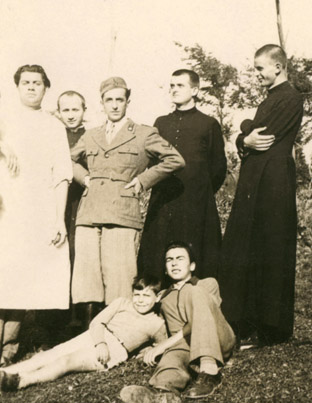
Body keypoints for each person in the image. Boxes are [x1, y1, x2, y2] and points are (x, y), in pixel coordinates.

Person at [70, 76, 185, 324]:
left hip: (121, 213)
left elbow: (175, 159)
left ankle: (117, 330)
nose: (114, 105)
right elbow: (67, 159)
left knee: (119, 278)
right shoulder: (91, 135)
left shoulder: (144, 133)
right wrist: (84, 178)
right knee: (87, 278)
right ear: (101, 103)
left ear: (127, 102)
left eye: (119, 100)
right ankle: (90, 333)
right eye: (109, 100)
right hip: (89, 212)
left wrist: (143, 180)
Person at [219, 44, 303, 347]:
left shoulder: (290, 98)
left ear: (278, 67)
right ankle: (245, 320)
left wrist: (243, 130)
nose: (256, 74)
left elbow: (262, 135)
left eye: (260, 68)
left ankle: (270, 327)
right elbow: (252, 137)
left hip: (273, 183)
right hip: (257, 181)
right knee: (248, 246)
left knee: (271, 248)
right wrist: (245, 137)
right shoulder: (272, 98)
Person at [0, 64, 72, 365]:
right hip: (6, 209)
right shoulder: (5, 117)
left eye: (37, 83)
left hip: (37, 211)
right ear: (17, 87)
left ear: (46, 88)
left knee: (22, 278)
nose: (31, 87)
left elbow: (62, 174)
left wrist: (58, 219)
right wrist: (3, 146)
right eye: (26, 82)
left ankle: (8, 348)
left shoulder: (53, 126)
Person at [120, 241, 236, 403]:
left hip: (216, 339)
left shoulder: (206, 284)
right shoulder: (163, 298)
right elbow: (158, 327)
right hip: (185, 345)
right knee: (172, 357)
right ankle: (163, 394)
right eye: (170, 260)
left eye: (180, 258)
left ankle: (210, 370)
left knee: (193, 290)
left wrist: (163, 346)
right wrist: (152, 346)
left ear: (192, 266)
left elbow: (203, 319)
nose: (174, 263)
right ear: (166, 270)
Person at [0, 277, 167, 391]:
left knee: (66, 361)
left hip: (115, 349)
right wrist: (100, 342)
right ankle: (7, 372)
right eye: (137, 295)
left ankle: (21, 381)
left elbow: (161, 346)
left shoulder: (157, 324)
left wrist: (144, 351)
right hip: (96, 335)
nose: (140, 300)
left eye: (146, 296)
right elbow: (97, 322)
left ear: (158, 297)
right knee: (49, 354)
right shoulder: (122, 303)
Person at [137, 69, 227, 280]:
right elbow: (154, 161)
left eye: (180, 85)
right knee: (157, 254)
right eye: (172, 85)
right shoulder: (161, 123)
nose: (174, 90)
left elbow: (218, 168)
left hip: (195, 203)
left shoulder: (208, 124)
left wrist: (199, 191)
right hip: (164, 201)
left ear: (194, 90)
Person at [57, 91, 88, 268]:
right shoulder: (54, 135)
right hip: (59, 199)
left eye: (75, 110)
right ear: (59, 112)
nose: (70, 115)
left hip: (82, 198)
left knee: (78, 247)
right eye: (66, 110)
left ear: (84, 110)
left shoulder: (92, 136)